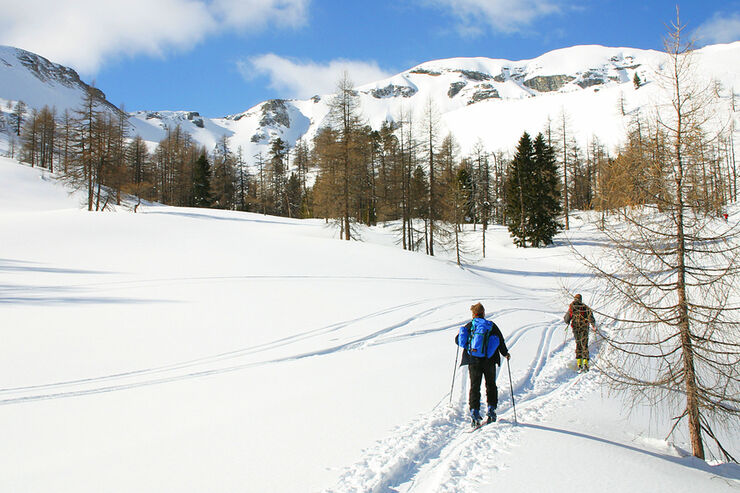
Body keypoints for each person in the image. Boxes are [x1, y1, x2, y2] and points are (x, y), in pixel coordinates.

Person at [456, 302, 510, 426]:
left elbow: (458, 340)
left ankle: (474, 412)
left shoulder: (471, 325)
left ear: (473, 314)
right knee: (490, 385)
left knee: (475, 386)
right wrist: (505, 353)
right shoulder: (491, 326)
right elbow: (500, 340)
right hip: (489, 360)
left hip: (473, 361)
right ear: (483, 313)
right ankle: (491, 409)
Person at [564, 294, 597, 372]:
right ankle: (585, 363)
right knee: (584, 344)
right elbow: (591, 317)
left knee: (578, 344)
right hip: (584, 327)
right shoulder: (585, 307)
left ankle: (579, 363)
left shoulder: (572, 307)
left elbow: (566, 319)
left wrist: (568, 321)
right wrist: (593, 324)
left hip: (576, 328)